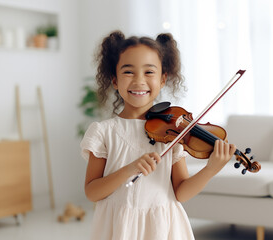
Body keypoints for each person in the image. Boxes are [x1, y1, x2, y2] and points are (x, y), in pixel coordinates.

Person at [80, 30, 236, 240]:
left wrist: (210, 170)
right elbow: (92, 192)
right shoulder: (104, 131)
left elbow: (181, 192)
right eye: (128, 72)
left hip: (163, 227)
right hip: (120, 228)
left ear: (163, 79)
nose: (139, 81)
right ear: (115, 80)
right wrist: (129, 169)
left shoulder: (174, 134)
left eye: (149, 72)